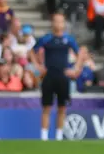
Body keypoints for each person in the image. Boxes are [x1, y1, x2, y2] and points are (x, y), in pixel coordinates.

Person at [29, 12, 83, 141]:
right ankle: (44, 136)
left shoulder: (68, 39)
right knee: (46, 107)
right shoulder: (46, 38)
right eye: (56, 21)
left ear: (64, 24)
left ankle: (59, 136)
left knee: (62, 107)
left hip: (63, 76)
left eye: (61, 21)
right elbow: (32, 51)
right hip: (49, 76)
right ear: (52, 23)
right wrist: (38, 66)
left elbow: (80, 53)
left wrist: (75, 68)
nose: (58, 24)